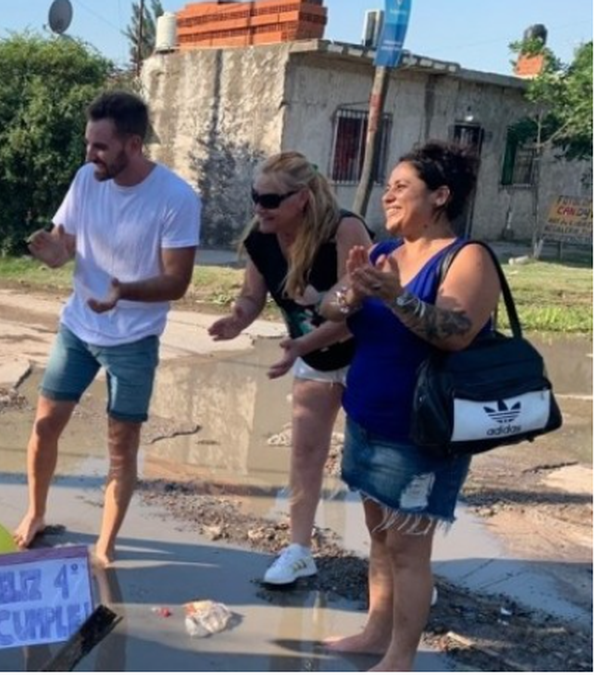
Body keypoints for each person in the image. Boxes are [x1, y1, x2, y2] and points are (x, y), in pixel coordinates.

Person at [318, 141, 498, 671]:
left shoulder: (468, 257)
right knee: (379, 538)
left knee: (407, 551)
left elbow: (454, 333)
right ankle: (375, 633)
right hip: (368, 419)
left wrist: (396, 296)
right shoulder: (382, 254)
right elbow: (327, 306)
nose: (388, 195)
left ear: (440, 195)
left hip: (422, 434)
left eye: (402, 186)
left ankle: (400, 658)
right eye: (389, 186)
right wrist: (353, 292)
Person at [12, 91, 201, 566]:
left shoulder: (176, 198)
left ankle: (105, 545)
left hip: (133, 340)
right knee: (45, 424)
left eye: (100, 146)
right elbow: (64, 249)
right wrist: (47, 250)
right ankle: (35, 512)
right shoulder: (85, 180)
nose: (89, 154)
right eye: (88, 143)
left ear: (132, 145)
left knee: (121, 448)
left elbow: (177, 282)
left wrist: (125, 293)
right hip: (77, 329)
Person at [208, 152, 371, 585]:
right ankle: (299, 550)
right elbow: (252, 295)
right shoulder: (261, 237)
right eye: (254, 196)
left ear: (301, 199)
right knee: (305, 454)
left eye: (269, 199)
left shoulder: (344, 230)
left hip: (369, 354)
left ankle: (397, 569)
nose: (259, 206)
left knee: (371, 461)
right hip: (312, 355)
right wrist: (237, 317)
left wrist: (301, 345)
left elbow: (353, 314)